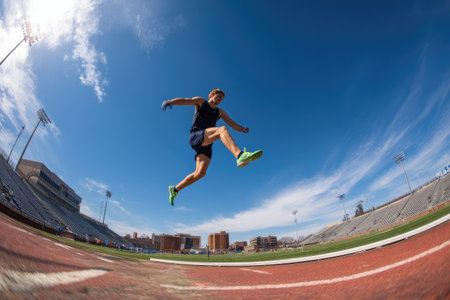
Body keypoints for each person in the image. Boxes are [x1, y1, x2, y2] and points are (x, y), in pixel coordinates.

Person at [162, 89, 263, 206]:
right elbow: (185, 101)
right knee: (222, 130)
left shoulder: (219, 112)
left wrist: (243, 129)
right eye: (219, 96)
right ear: (212, 95)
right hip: (197, 136)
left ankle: (175, 189)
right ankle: (240, 156)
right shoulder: (201, 102)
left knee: (200, 173)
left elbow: (232, 123)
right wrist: (170, 102)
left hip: (206, 145)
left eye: (222, 98)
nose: (220, 99)